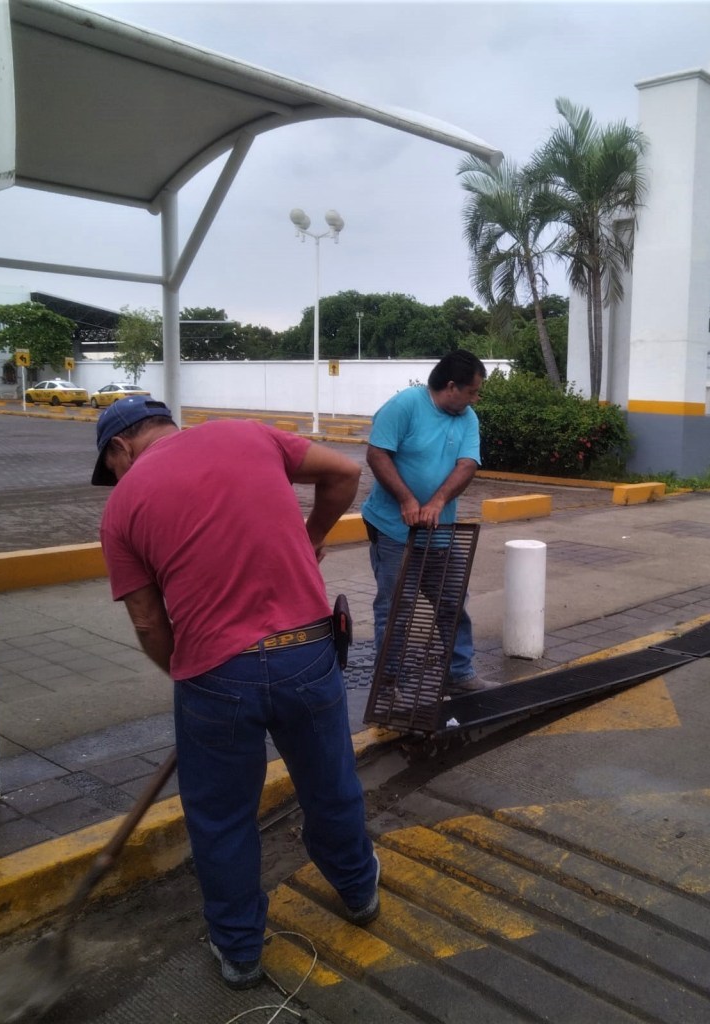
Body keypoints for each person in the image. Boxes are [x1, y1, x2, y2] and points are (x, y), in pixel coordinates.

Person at [92, 395, 380, 991]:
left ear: (120, 446)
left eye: (110, 466)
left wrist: (195, 678)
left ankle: (240, 950)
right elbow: (345, 472)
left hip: (216, 675)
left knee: (222, 819)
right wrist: (310, 537)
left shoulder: (121, 508)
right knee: (330, 785)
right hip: (307, 652)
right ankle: (359, 891)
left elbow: (148, 623)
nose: (115, 478)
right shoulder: (249, 435)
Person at [361, 350, 493, 695]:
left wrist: (437, 502)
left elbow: (467, 464)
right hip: (392, 528)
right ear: (451, 387)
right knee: (396, 607)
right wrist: (407, 500)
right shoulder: (405, 405)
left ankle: (459, 673)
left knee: (452, 601)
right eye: (472, 392)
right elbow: (377, 453)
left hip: (440, 529)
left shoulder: (467, 418)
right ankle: (388, 682)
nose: (475, 399)